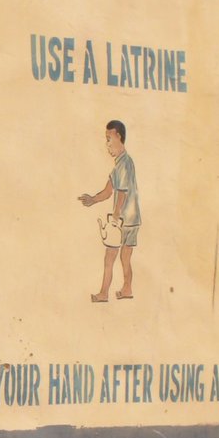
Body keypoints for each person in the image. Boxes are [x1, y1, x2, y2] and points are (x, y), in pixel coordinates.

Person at [77, 119, 141, 302]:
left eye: (108, 139)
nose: (107, 144)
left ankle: (104, 293)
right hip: (132, 219)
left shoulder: (124, 164)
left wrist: (115, 218)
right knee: (125, 257)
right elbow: (107, 191)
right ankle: (126, 289)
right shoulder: (121, 164)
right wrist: (92, 199)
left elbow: (121, 193)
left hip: (123, 220)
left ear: (118, 137)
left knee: (110, 257)